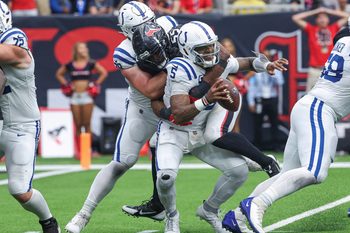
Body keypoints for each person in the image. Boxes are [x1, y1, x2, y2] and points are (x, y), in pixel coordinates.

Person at [222, 23, 350, 233]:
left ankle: (236, 218)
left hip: (310, 106)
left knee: (287, 173)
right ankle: (257, 204)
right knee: (315, 172)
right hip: (319, 109)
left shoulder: (343, 40)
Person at [65, 2, 175, 232]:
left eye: (150, 25)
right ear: (127, 32)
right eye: (140, 29)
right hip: (143, 108)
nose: (149, 32)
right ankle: (83, 213)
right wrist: (175, 65)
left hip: (175, 104)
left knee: (205, 144)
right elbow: (149, 89)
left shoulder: (169, 25)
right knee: (122, 161)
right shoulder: (124, 51)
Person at [0, 1, 59, 232]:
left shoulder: (15, 39)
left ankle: (48, 221)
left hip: (22, 127)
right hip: (2, 124)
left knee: (19, 190)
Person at [56, 42, 107, 155]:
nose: (84, 50)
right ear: (76, 50)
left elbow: (103, 73)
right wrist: (67, 84)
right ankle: (80, 151)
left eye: (85, 48)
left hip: (87, 96)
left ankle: (89, 150)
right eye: (81, 48)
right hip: (75, 97)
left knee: (87, 124)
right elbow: (59, 74)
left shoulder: (90, 63)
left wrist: (95, 84)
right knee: (78, 124)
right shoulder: (70, 64)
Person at [292, 7, 348, 92]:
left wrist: (327, 10)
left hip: (330, 70)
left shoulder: (333, 28)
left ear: (328, 19)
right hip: (314, 70)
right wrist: (315, 11)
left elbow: (347, 16)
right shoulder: (311, 29)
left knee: (330, 95)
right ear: (316, 20)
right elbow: (295, 18)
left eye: (324, 17)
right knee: (310, 96)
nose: (322, 19)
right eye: (320, 17)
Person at [247, 49, 284, 150]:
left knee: (274, 122)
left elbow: (280, 82)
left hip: (271, 98)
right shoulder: (255, 70)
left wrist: (271, 72)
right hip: (259, 99)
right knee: (257, 123)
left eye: (268, 57)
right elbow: (251, 87)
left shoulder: (275, 68)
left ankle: (275, 144)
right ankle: (258, 145)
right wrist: (251, 102)